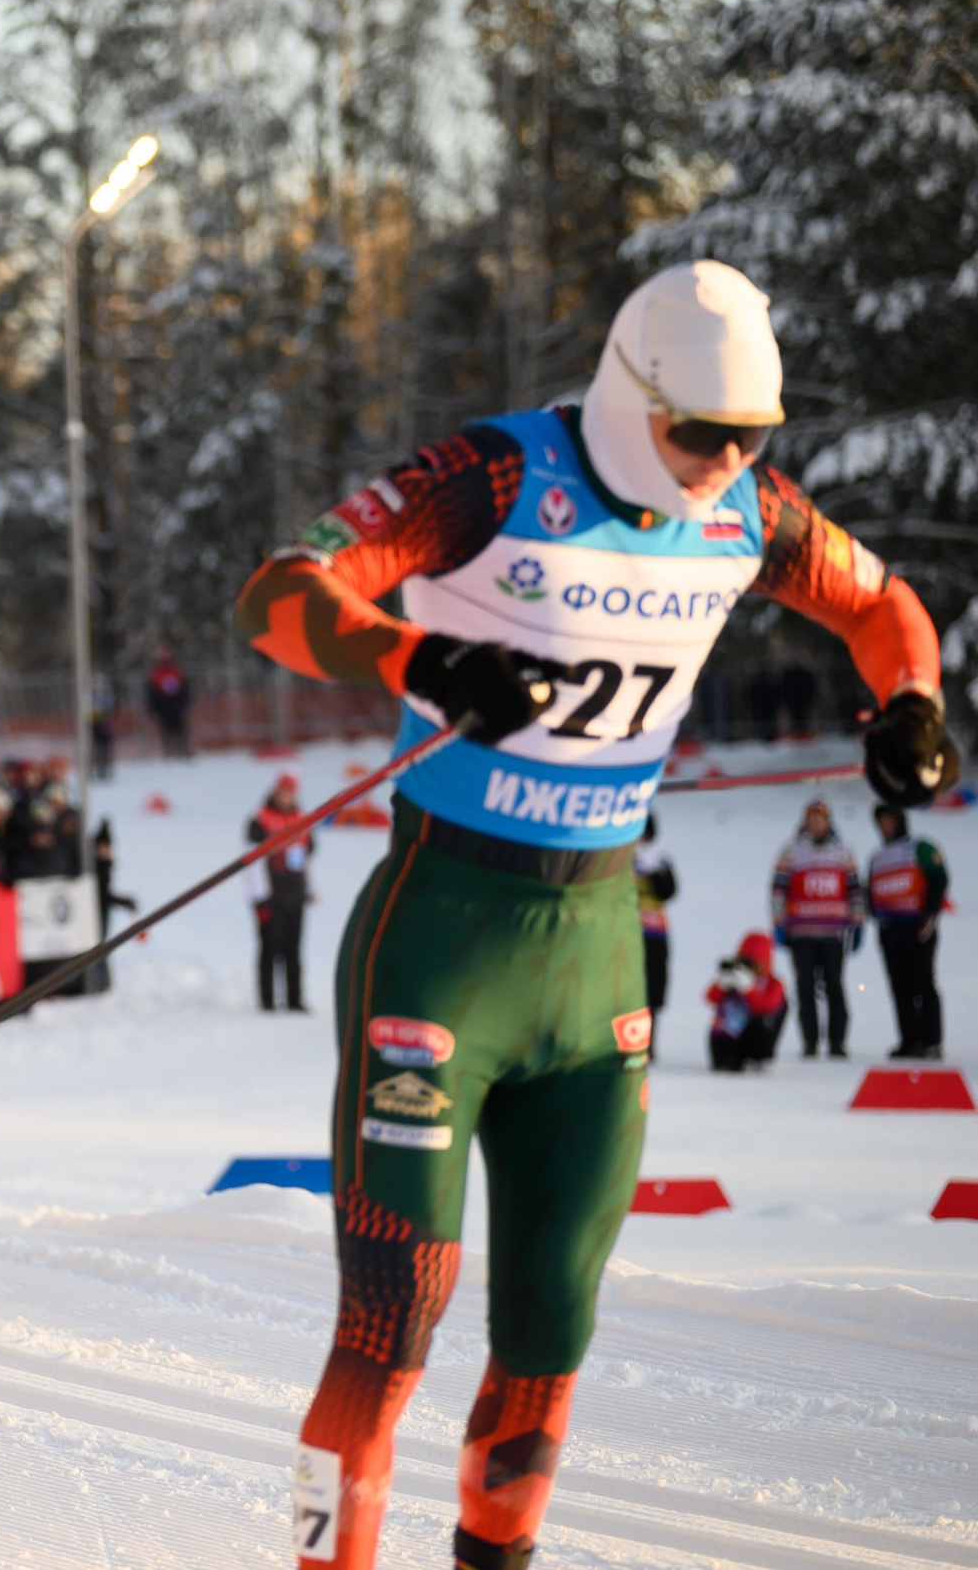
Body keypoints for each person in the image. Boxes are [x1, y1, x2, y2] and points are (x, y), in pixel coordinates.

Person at [232, 260, 960, 1570]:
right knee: (391, 1324)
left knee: (550, 1328)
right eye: (701, 431)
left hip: (598, 954)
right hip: (440, 941)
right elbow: (281, 591)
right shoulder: (498, 476)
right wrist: (418, 655)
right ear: (633, 395)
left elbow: (876, 602)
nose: (723, 460)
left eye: (751, 436)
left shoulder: (746, 508)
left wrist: (910, 700)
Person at [772, 797, 865, 1058]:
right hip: (801, 933)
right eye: (811, 819)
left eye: (820, 819)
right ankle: (810, 1041)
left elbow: (855, 891)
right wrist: (779, 923)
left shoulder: (843, 852)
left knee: (834, 985)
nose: (815, 824)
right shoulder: (791, 852)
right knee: (805, 987)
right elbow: (778, 891)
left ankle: (837, 1042)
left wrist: (857, 923)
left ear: (828, 822)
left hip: (833, 933)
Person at [867, 803, 949, 1059]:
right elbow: (870, 893)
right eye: (881, 822)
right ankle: (909, 1040)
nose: (886, 826)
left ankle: (931, 1041)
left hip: (918, 927)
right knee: (900, 987)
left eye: (890, 820)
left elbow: (939, 879)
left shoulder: (920, 847)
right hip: (891, 930)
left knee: (923, 983)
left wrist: (930, 916)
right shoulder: (877, 857)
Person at [245, 773, 313, 1013]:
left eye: (290, 792)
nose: (286, 797)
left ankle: (295, 999)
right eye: (283, 792)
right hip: (268, 896)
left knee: (293, 949)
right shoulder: (259, 820)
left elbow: (307, 857)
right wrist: (260, 895)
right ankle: (267, 1000)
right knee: (269, 948)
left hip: (295, 893)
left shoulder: (301, 819)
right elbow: (251, 861)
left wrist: (309, 889)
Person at [705, 933, 789, 1071]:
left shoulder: (774, 983)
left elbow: (767, 1007)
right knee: (725, 1064)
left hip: (757, 1036)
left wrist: (749, 990)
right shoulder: (734, 978)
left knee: (761, 1022)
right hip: (729, 1035)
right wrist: (721, 985)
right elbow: (710, 998)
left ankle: (760, 1060)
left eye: (754, 964)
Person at [634, 813, 678, 1059]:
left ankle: (649, 1044)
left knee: (653, 991)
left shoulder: (660, 861)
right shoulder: (619, 861)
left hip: (655, 934)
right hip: (628, 934)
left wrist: (654, 871)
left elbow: (669, 892)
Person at [146, 646, 193, 758]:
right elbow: (151, 693)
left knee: (181, 733)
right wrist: (154, 709)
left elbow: (185, 689)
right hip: (163, 707)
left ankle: (184, 754)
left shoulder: (177, 670)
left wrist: (184, 705)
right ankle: (169, 756)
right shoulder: (155, 673)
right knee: (166, 734)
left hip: (177, 707)